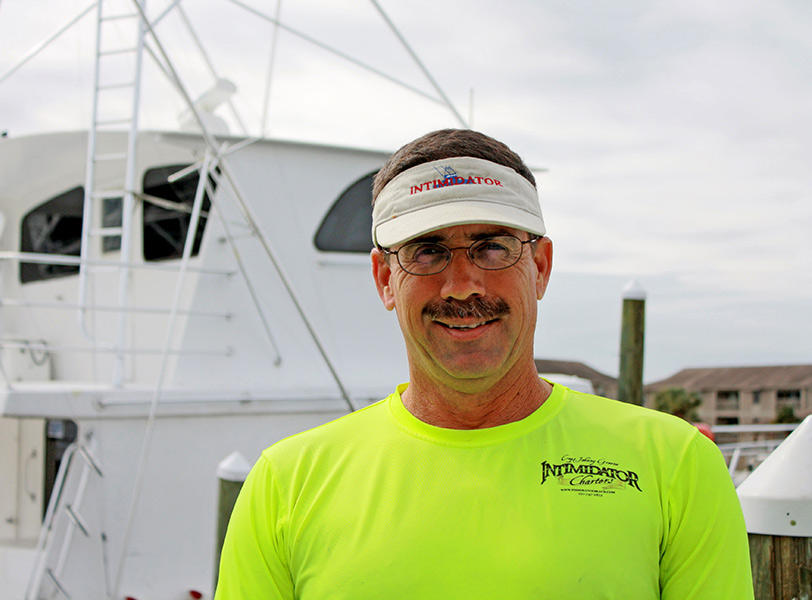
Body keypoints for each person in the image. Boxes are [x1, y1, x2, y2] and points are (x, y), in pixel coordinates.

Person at [215, 129, 754, 599]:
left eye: (492, 247)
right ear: (384, 279)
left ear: (540, 267)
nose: (463, 284)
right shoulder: (283, 486)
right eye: (426, 250)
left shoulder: (677, 467)